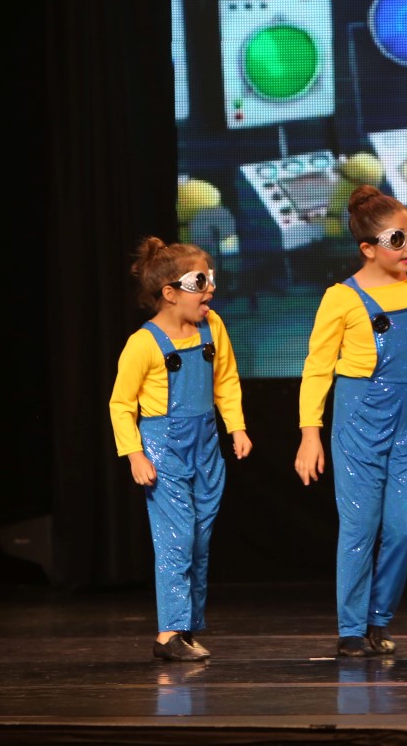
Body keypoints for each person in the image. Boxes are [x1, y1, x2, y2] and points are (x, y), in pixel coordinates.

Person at [295, 186, 407, 657]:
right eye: (397, 239)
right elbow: (317, 368)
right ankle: (351, 628)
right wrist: (309, 435)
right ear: (367, 248)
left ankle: (378, 618)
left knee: (405, 528)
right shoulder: (341, 299)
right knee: (360, 528)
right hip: (360, 421)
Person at [110, 238, 252, 662]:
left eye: (211, 280)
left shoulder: (213, 327)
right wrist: (135, 454)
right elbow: (121, 404)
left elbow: (225, 380)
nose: (211, 290)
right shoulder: (143, 343)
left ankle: (186, 628)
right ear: (170, 293)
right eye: (200, 282)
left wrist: (236, 427)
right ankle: (168, 633)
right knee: (178, 537)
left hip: (204, 444)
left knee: (199, 540)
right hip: (163, 448)